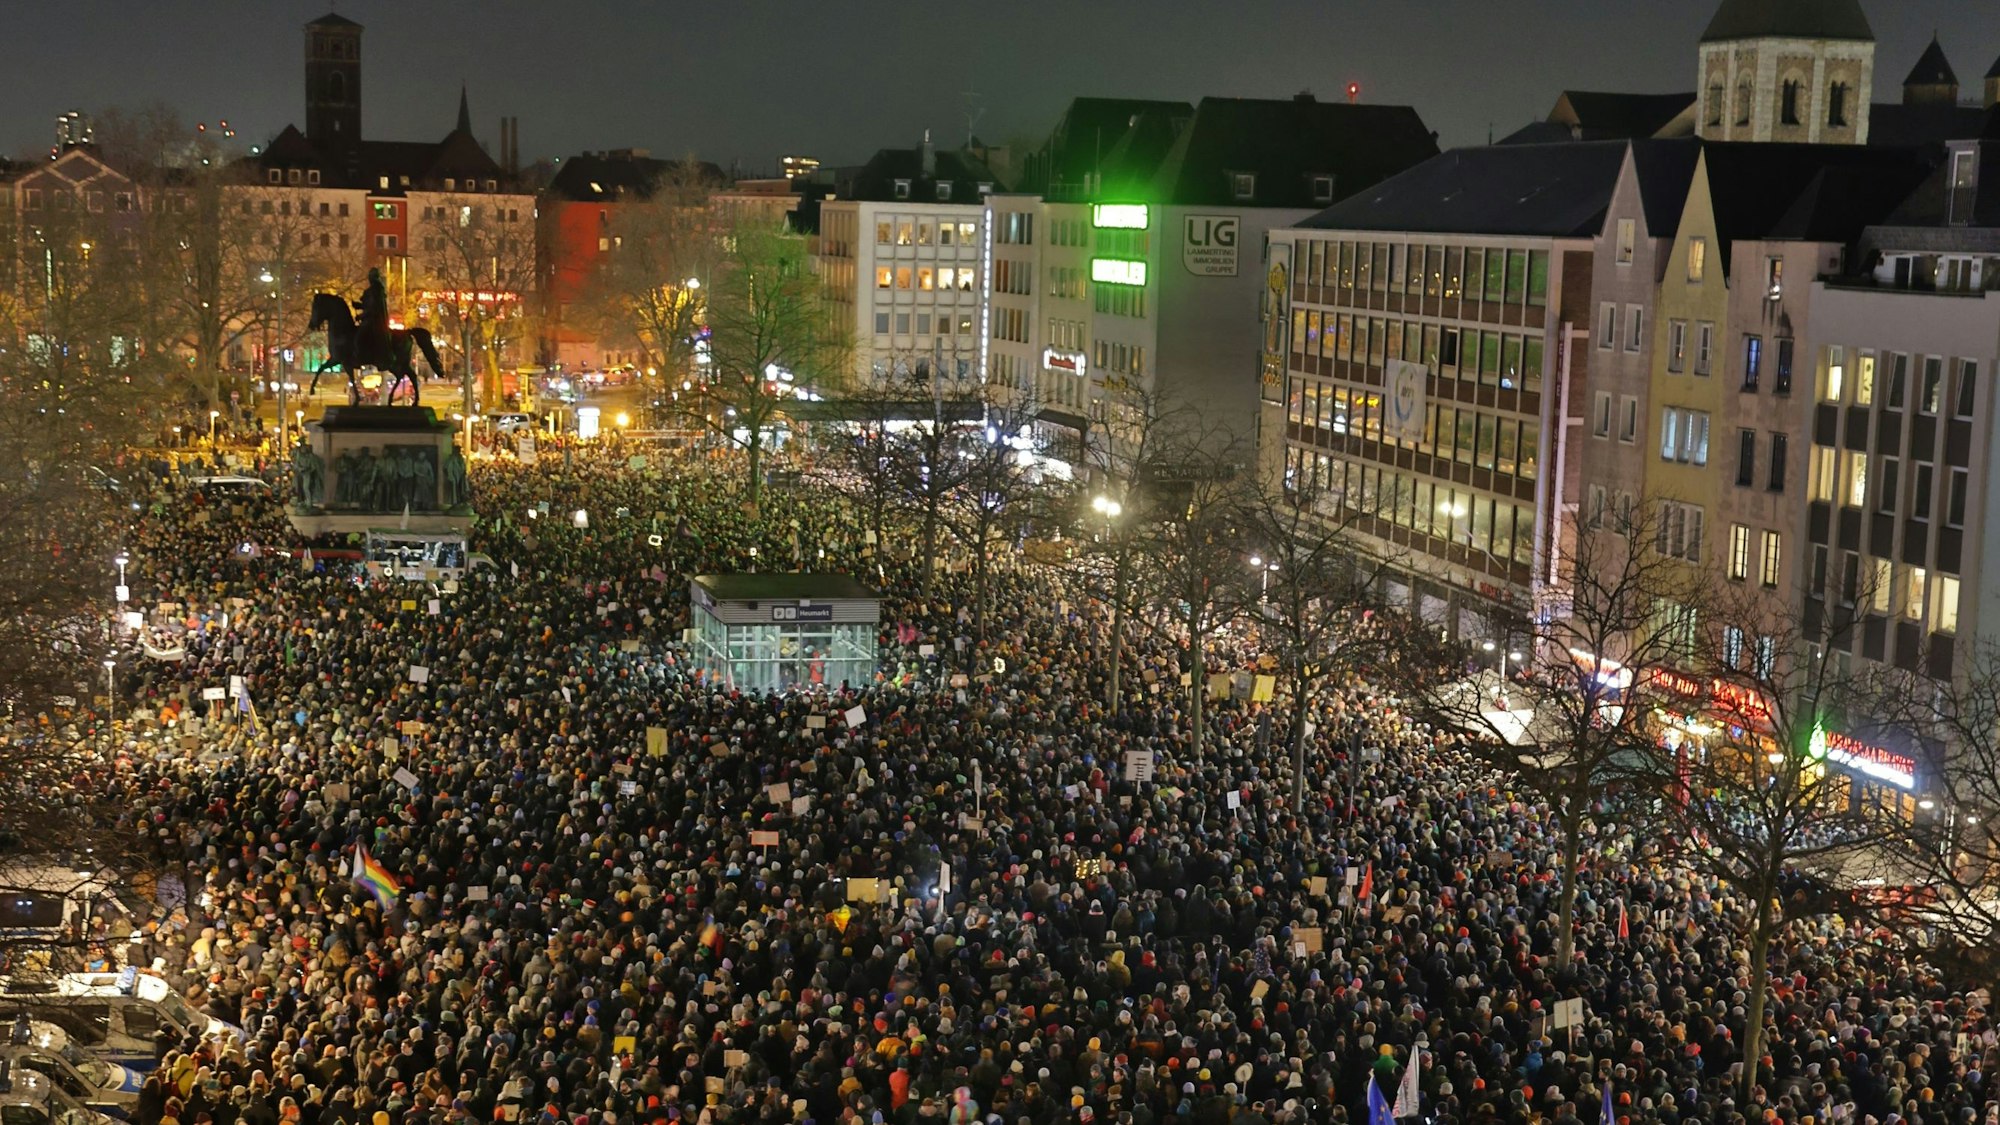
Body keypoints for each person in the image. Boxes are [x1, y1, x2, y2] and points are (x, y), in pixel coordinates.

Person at [353, 268, 389, 370]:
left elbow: (372, 308)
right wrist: (358, 306)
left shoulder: (375, 291)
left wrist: (361, 316)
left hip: (374, 320)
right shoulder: (374, 290)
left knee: (359, 337)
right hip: (371, 318)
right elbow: (367, 305)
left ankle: (360, 358)